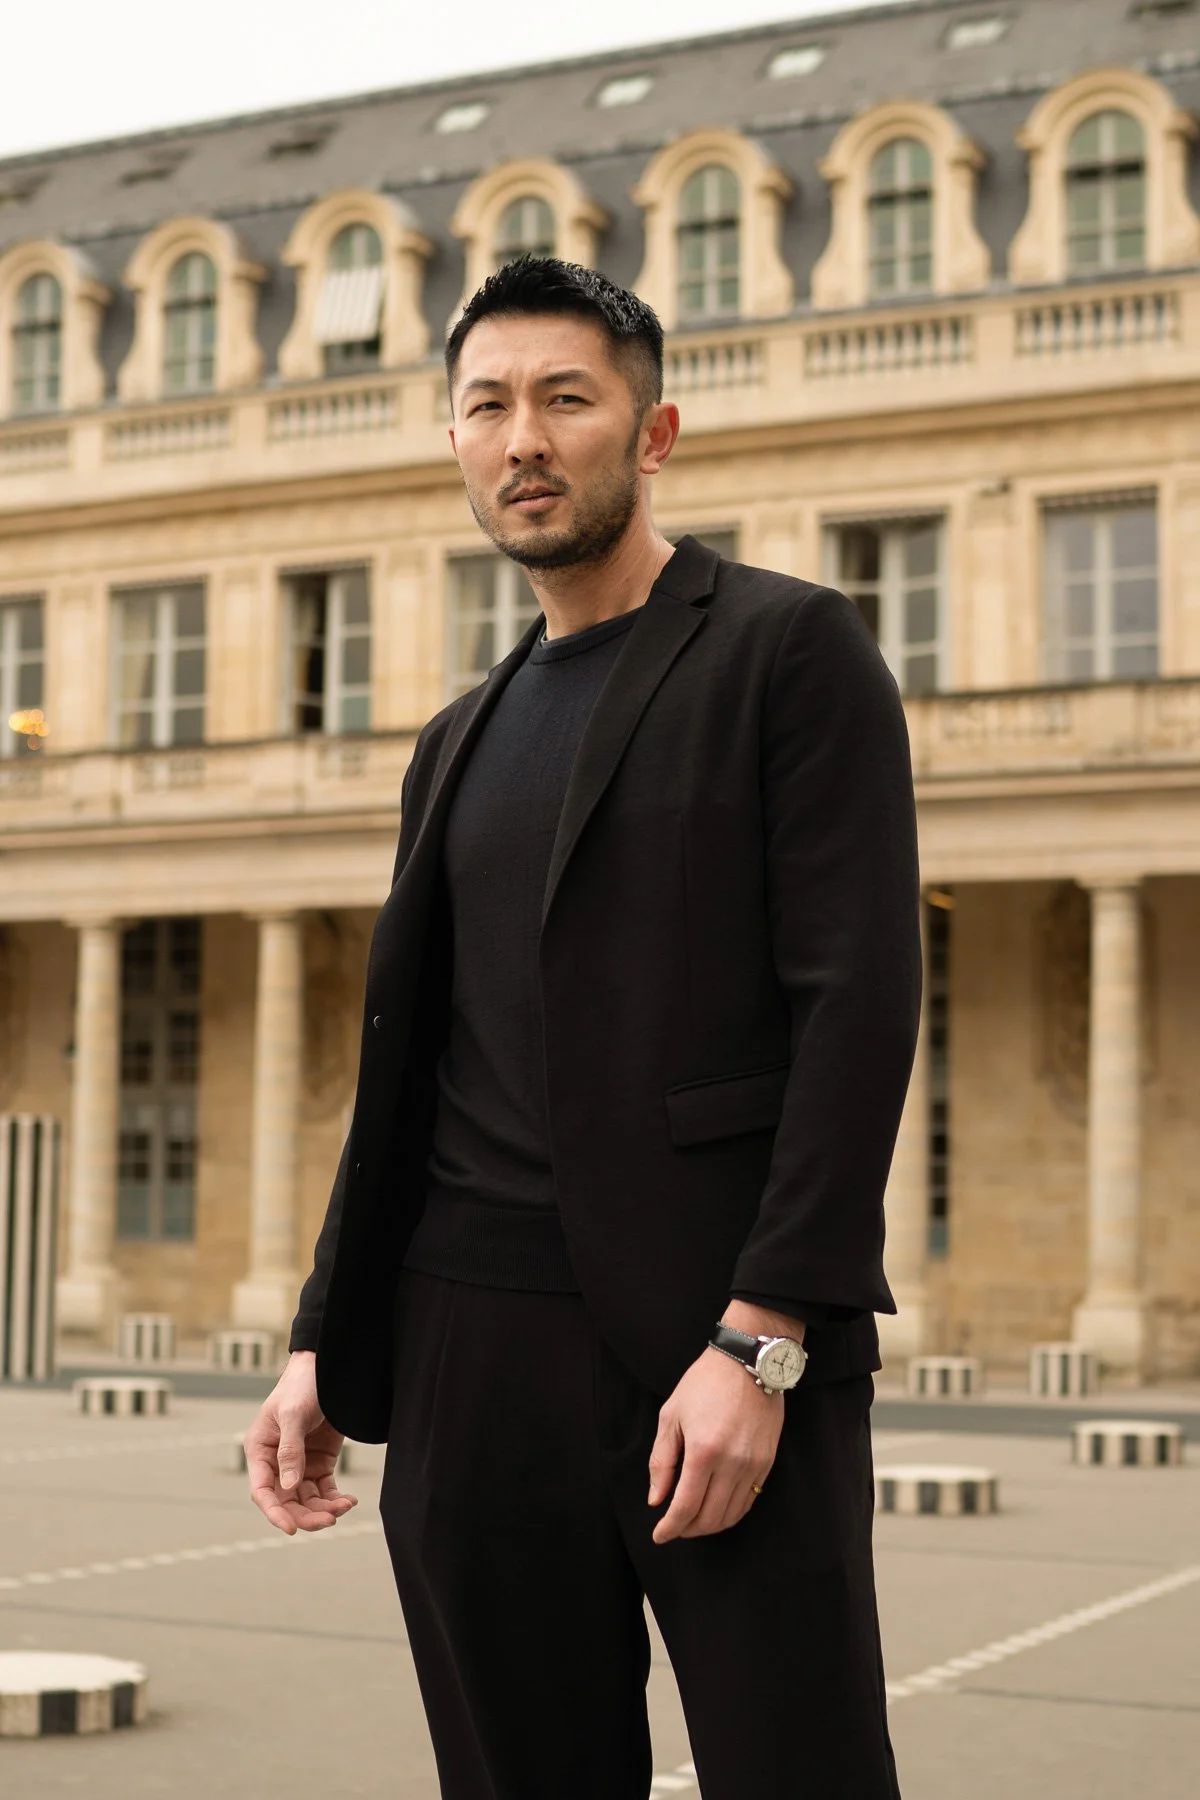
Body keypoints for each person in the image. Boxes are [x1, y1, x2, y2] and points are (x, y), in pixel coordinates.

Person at [245, 256, 921, 1799]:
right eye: (488, 406)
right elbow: (409, 1077)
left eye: (567, 398)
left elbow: (858, 1010)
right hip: (466, 1349)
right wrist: (318, 1343)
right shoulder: (454, 740)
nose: (523, 439)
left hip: (712, 1349)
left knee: (799, 1771)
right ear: (457, 441)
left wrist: (764, 1338)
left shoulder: (786, 652)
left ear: (654, 428)